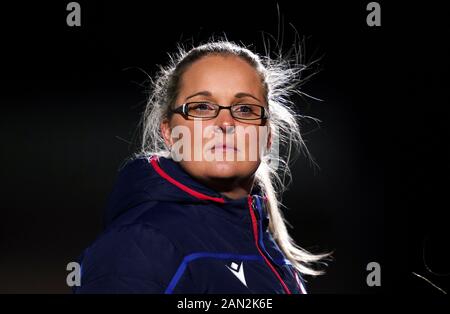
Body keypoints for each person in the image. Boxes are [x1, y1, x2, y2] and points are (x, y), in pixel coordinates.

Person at [74, 39, 328, 294]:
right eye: (202, 107)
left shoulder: (275, 259)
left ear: (268, 137)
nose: (226, 122)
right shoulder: (136, 245)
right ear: (169, 132)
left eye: (245, 109)